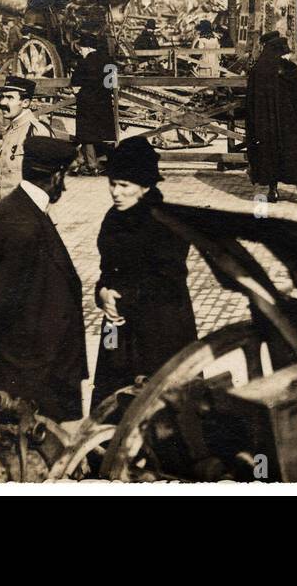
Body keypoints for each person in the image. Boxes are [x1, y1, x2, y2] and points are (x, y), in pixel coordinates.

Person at [0, 136, 88, 422]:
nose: (65, 184)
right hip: (35, 367)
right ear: (56, 176)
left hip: (40, 360)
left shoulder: (19, 209)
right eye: (66, 176)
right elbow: (0, 297)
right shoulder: (23, 223)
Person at [90, 136, 199, 409]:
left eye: (124, 185)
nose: (116, 192)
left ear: (145, 185)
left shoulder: (165, 222)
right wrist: (102, 292)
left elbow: (168, 282)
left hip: (159, 329)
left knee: (158, 406)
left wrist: (122, 298)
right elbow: (107, 268)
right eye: (112, 184)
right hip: (117, 326)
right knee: (112, 396)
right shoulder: (113, 217)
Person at [246, 32, 297, 203]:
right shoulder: (288, 69)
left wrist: (254, 121)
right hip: (288, 121)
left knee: (271, 154)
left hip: (265, 122)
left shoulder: (258, 69)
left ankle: (273, 191)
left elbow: (251, 99)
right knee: (294, 154)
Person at [0, 75, 51, 211]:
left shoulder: (35, 131)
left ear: (25, 103)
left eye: (10, 98)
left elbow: (45, 181)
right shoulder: (12, 129)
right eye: (3, 97)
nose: (3, 102)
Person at [70, 32, 117, 175]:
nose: (81, 51)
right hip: (105, 101)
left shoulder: (83, 63)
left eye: (82, 48)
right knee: (107, 133)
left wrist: (81, 94)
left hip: (87, 103)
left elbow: (75, 85)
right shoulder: (109, 61)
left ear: (88, 48)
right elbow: (112, 83)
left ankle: (92, 165)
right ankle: (112, 163)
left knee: (87, 134)